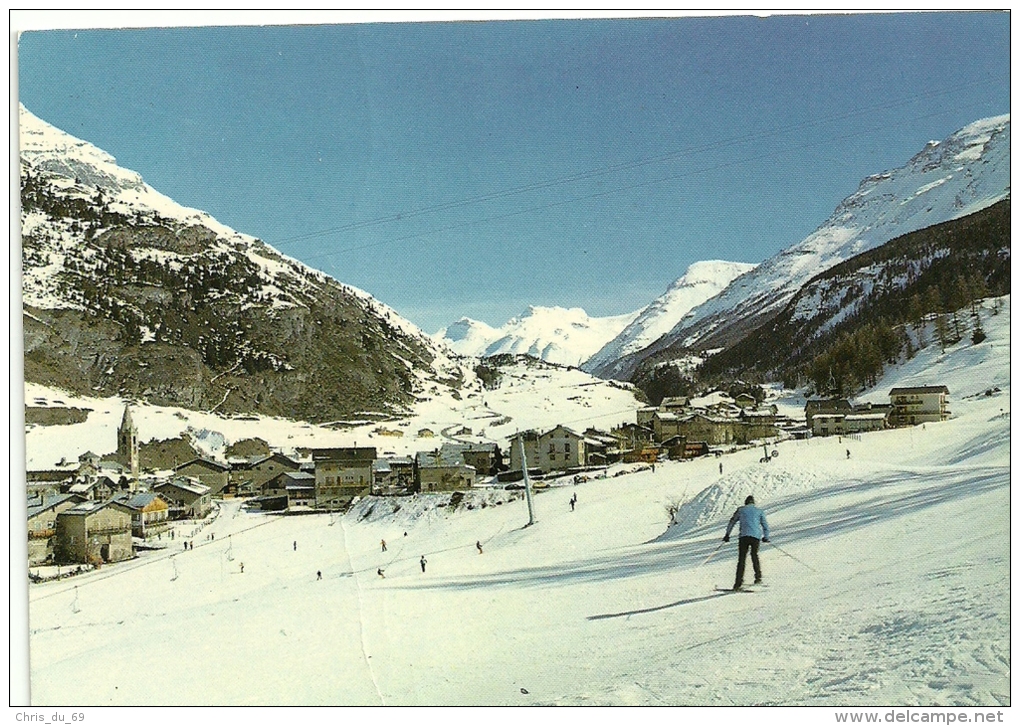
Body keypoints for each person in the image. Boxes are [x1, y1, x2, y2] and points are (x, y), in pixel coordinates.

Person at [723, 495, 770, 590]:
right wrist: (766, 537)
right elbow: (765, 526)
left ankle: (738, 583)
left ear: (746, 502)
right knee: (754, 555)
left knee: (742, 559)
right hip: (755, 537)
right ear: (753, 503)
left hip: (743, 537)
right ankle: (758, 577)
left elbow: (732, 522)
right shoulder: (759, 511)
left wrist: (727, 535)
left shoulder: (740, 510)